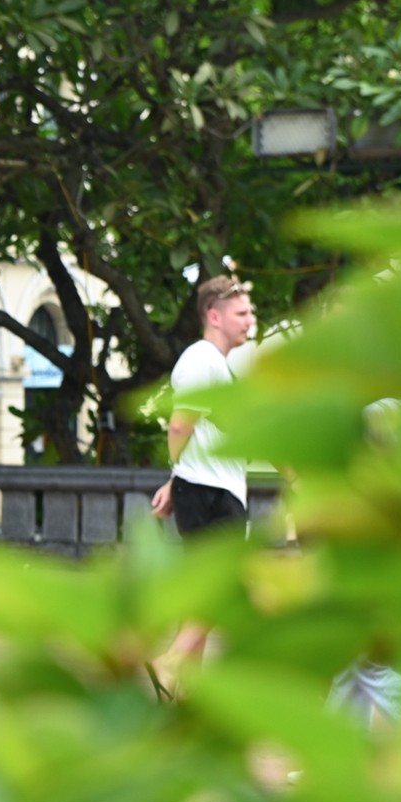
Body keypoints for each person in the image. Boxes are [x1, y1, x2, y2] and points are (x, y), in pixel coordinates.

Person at [149, 274, 256, 692]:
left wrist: (176, 480)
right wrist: (180, 477)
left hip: (210, 489)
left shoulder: (215, 364)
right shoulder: (201, 359)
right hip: (212, 493)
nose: (250, 321)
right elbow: (180, 426)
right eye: (242, 313)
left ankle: (181, 691)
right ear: (214, 315)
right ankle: (171, 662)